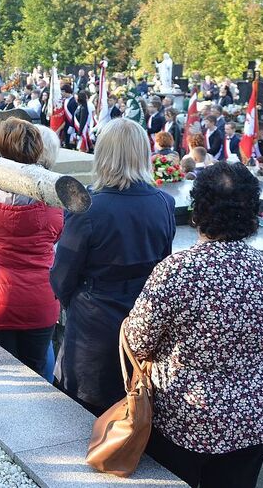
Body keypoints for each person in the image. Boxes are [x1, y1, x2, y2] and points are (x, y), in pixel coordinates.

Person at [124, 162, 263, 487]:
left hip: (185, 417)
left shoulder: (176, 270)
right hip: (251, 416)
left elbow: (137, 340)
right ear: (251, 215)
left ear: (198, 211)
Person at [50, 118, 175, 415]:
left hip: (93, 323)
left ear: (103, 154)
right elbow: (163, 267)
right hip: (142, 320)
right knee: (132, 408)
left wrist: (76, 301)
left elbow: (62, 276)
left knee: (82, 412)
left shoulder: (89, 208)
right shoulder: (164, 203)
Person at [0, 120, 63, 374]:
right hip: (40, 298)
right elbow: (57, 235)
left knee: (0, 373)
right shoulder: (52, 201)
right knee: (37, 371)